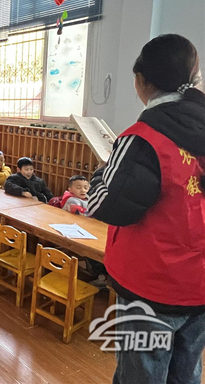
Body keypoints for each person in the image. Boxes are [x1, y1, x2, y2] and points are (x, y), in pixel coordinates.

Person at [87, 34, 205, 384]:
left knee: (141, 376)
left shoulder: (143, 137)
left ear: (141, 80)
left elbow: (104, 205)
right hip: (198, 284)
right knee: (186, 373)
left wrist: (102, 173)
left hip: (151, 286)